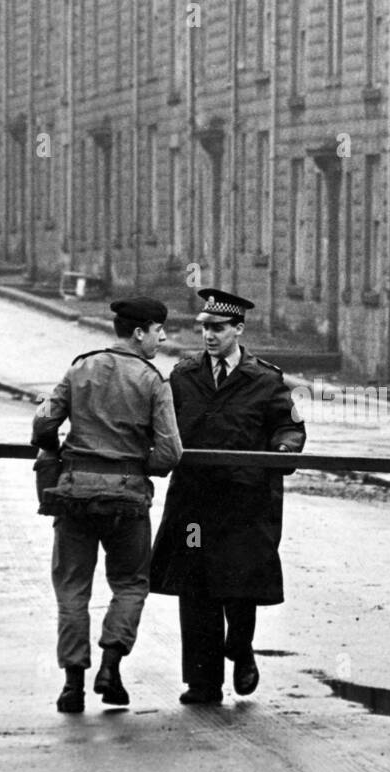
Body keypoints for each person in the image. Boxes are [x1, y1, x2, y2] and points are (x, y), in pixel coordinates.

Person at [150, 288, 307, 705]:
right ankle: (202, 681)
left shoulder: (265, 380)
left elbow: (289, 427)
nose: (209, 336)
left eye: (218, 328)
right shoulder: (184, 377)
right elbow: (160, 423)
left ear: (238, 329)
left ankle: (240, 650)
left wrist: (285, 449)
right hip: (195, 506)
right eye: (204, 328)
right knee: (195, 585)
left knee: (239, 583)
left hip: (243, 503)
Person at [32, 296, 182, 713]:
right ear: (139, 333)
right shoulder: (154, 381)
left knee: (72, 590)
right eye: (157, 330)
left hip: (75, 495)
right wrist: (138, 464)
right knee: (132, 583)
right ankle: (111, 668)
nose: (163, 337)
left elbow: (44, 420)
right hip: (127, 500)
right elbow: (171, 452)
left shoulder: (80, 367)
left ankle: (72, 686)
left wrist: (54, 452)